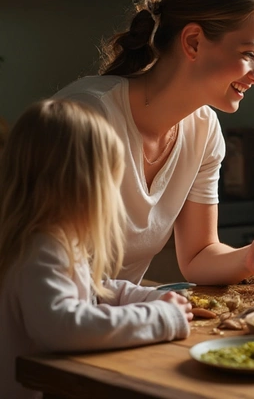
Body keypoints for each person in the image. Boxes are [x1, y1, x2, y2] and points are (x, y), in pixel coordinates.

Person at [54, 0, 254, 287]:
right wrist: (150, 304)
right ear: (194, 42)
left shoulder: (204, 131)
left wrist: (249, 258)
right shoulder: (87, 118)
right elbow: (55, 277)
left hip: (114, 319)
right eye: (248, 54)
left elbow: (199, 256)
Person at [0, 100, 193, 399]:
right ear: (80, 187)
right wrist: (161, 318)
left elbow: (93, 290)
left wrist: (151, 297)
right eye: (110, 183)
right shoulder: (41, 249)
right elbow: (63, 326)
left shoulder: (53, 240)